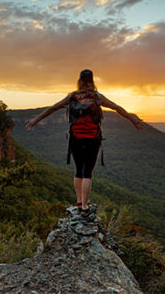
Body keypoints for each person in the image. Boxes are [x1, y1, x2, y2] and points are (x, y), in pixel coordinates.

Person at [26, 69, 143, 218]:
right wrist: (134, 120)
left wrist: (35, 121)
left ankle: (79, 202)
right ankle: (85, 208)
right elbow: (117, 108)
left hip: (75, 138)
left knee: (78, 170)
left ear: (80, 81)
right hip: (93, 139)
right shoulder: (97, 97)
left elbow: (53, 108)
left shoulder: (72, 96)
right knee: (87, 173)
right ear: (92, 81)